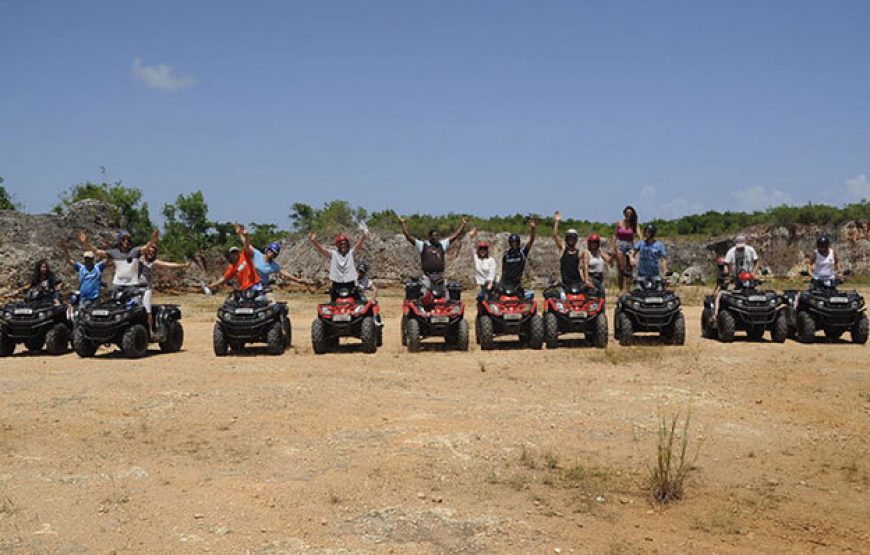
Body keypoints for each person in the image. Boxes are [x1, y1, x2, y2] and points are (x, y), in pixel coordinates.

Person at [399, 215, 469, 302]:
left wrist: (463, 224)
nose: (437, 237)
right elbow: (409, 237)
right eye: (435, 235)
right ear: (430, 237)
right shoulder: (423, 245)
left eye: (438, 236)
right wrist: (403, 224)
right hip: (427, 277)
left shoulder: (442, 245)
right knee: (423, 294)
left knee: (448, 294)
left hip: (439, 277)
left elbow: (455, 235)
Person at [81, 228, 159, 292]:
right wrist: (86, 242)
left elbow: (147, 247)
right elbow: (96, 251)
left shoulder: (135, 251)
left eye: (128, 239)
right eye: (123, 240)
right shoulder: (114, 252)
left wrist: (153, 239)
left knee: (134, 308)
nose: (126, 242)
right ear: (119, 241)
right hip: (117, 285)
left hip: (132, 285)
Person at [139, 244, 190, 334]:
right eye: (149, 251)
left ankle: (150, 331)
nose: (151, 253)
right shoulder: (139, 260)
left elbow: (168, 265)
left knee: (147, 309)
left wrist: (183, 265)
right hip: (134, 288)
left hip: (146, 288)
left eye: (153, 252)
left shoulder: (154, 262)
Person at [206, 224, 263, 297]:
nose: (234, 254)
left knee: (259, 301)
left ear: (239, 252)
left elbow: (246, 244)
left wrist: (246, 236)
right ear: (230, 255)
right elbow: (223, 278)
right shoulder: (232, 267)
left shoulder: (245, 255)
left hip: (255, 285)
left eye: (236, 252)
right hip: (245, 289)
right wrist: (212, 285)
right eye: (232, 253)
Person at [308, 231, 367, 301]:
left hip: (350, 283)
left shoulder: (351, 253)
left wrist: (364, 236)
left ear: (347, 244)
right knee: (333, 303)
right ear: (338, 245)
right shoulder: (333, 254)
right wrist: (314, 241)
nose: (343, 245)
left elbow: (358, 246)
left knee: (358, 302)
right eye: (341, 244)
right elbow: (322, 250)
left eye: (345, 243)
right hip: (336, 284)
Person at [713, 234, 760, 317]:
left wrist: (754, 273)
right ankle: (716, 314)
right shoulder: (731, 252)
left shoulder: (750, 250)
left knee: (755, 295)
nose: (740, 249)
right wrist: (731, 273)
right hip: (736, 279)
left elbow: (756, 261)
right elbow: (727, 264)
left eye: (742, 247)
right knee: (724, 295)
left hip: (749, 279)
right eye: (739, 247)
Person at [60, 240, 107, 308]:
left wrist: (96, 250)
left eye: (89, 259)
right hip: (83, 299)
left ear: (92, 259)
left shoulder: (98, 267)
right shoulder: (81, 268)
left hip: (95, 299)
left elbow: (108, 259)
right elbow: (69, 260)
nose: (88, 261)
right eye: (86, 259)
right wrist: (64, 249)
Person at [499, 219, 537, 292]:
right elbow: (503, 270)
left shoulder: (522, 253)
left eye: (515, 242)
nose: (514, 244)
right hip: (505, 283)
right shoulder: (506, 254)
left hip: (516, 284)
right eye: (512, 242)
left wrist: (533, 229)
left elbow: (531, 240)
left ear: (518, 242)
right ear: (510, 243)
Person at [553, 211, 583, 291]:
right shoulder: (563, 249)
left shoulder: (579, 252)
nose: (571, 240)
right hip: (565, 284)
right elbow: (555, 236)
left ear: (576, 239)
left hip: (578, 283)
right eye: (569, 238)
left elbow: (580, 269)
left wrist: (585, 281)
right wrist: (557, 222)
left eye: (573, 238)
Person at [613, 206, 641, 291]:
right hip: (620, 244)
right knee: (621, 268)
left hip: (630, 245)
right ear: (624, 213)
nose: (628, 214)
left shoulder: (634, 224)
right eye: (627, 213)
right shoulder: (619, 223)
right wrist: (614, 246)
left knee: (629, 269)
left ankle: (628, 289)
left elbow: (640, 236)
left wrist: (639, 245)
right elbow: (615, 235)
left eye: (630, 213)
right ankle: (621, 289)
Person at [469, 228, 497, 300]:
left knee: (489, 301)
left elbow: (492, 273)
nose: (483, 251)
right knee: (480, 300)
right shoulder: (476, 259)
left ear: (487, 251)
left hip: (491, 285)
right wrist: (471, 237)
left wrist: (490, 283)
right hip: (482, 285)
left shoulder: (491, 260)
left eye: (484, 249)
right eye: (481, 249)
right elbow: (470, 248)